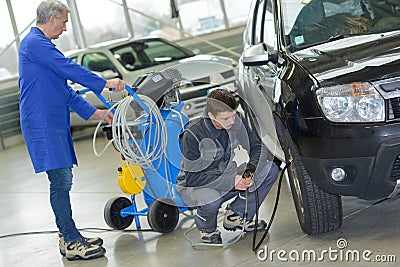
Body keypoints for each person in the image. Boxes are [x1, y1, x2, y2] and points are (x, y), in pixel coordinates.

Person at [18, 0, 126, 261]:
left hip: (52, 121)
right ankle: (70, 238)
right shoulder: (35, 44)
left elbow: (65, 89)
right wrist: (104, 83)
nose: (65, 28)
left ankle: (69, 237)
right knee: (60, 181)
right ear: (52, 18)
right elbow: (69, 68)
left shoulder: (42, 47)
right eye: (64, 22)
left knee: (62, 180)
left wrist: (97, 113)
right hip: (42, 123)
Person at [177, 88, 279, 244]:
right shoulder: (193, 134)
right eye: (226, 119)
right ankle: (207, 229)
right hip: (198, 186)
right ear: (211, 116)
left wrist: (250, 170)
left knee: (269, 170)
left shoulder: (235, 119)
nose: (232, 122)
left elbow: (257, 147)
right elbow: (194, 178)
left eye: (233, 115)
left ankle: (236, 215)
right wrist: (233, 181)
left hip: (228, 177)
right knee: (210, 198)